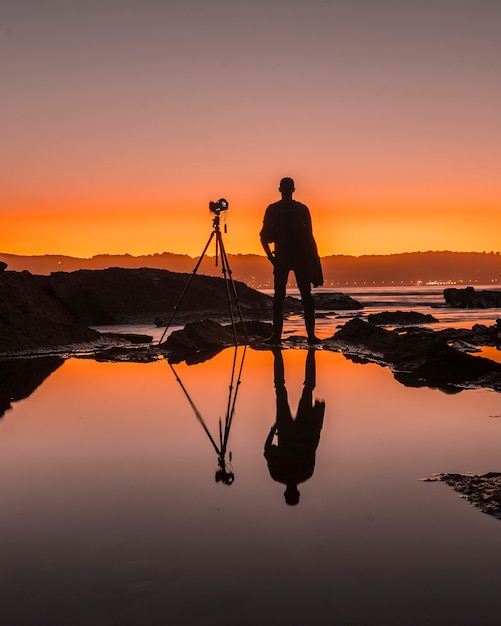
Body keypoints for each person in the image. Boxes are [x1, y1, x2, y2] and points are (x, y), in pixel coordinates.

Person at [260, 177, 323, 344]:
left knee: (282, 298)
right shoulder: (299, 209)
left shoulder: (278, 209)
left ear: (279, 189)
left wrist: (271, 257)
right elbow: (310, 236)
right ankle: (308, 336)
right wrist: (313, 260)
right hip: (294, 257)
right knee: (301, 297)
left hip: (289, 257)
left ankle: (280, 336)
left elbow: (263, 237)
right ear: (293, 190)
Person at [264, 348, 325, 505]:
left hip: (303, 429)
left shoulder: (306, 473)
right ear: (286, 494)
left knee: (308, 388)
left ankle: (310, 353)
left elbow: (313, 444)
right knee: (280, 388)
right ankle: (279, 354)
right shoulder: (278, 475)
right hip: (285, 430)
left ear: (297, 493)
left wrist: (317, 419)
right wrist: (273, 429)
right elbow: (268, 450)